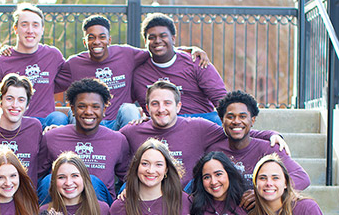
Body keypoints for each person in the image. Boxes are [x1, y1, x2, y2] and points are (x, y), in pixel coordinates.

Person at [120, 81, 288, 188]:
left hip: (186, 194)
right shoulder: (133, 131)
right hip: (147, 191)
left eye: (167, 103)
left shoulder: (198, 127)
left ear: (178, 107)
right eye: (155, 104)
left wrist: (272, 134)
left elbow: (235, 131)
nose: (161, 109)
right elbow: (111, 144)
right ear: (147, 109)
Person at [38, 78, 130, 204]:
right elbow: (36, 176)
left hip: (99, 206)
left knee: (90, 181)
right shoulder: (52, 137)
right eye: (82, 106)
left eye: (95, 107)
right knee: (48, 181)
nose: (88, 112)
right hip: (62, 204)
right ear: (73, 109)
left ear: (104, 110)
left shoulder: (118, 140)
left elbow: (128, 178)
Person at [0, 3, 67, 126]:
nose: (30, 30)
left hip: (42, 124)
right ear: (15, 29)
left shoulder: (53, 56)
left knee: (59, 117)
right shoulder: (1, 61)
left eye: (35, 25)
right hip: (10, 124)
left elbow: (72, 75)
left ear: (42, 30)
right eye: (24, 25)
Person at [214, 90, 310, 207]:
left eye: (242, 116)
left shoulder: (269, 149)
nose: (236, 121)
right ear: (222, 121)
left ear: (252, 120)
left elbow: (302, 177)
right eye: (230, 117)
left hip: (262, 214)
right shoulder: (215, 150)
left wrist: (261, 193)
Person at [132, 13, 227, 123]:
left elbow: (221, 100)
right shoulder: (139, 74)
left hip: (200, 121)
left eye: (163, 36)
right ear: (145, 42)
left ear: (173, 39)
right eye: (152, 37)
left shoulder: (196, 62)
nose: (157, 41)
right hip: (162, 126)